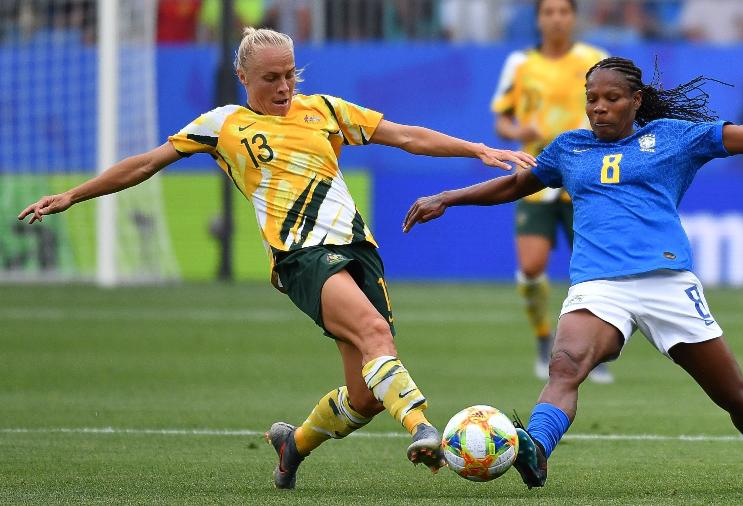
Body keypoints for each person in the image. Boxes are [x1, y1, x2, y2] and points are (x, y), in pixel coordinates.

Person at [18, 27, 535, 489]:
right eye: (270, 78)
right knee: (376, 335)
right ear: (242, 75)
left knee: (366, 396)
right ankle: (424, 427)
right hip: (301, 258)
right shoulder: (223, 124)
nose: (284, 88)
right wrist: (73, 195)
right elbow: (146, 163)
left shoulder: (326, 111)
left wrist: (477, 150)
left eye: (290, 75)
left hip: (359, 250)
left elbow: (405, 135)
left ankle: (294, 445)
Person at [404, 32, 743, 492]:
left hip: (666, 283)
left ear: (636, 100)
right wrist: (448, 198)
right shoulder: (569, 148)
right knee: (566, 365)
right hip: (599, 285)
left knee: (738, 401)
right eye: (591, 98)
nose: (599, 107)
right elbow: (515, 185)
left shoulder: (673, 137)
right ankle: (536, 446)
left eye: (612, 98)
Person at [492, 0, 613, 383]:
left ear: (573, 17)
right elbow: (502, 120)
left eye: (564, 11)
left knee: (593, 272)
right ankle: (545, 338)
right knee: (530, 268)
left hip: (584, 179)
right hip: (538, 176)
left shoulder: (596, 59)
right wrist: (518, 133)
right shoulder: (520, 63)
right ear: (539, 19)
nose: (557, 18)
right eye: (549, 12)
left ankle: (594, 351)